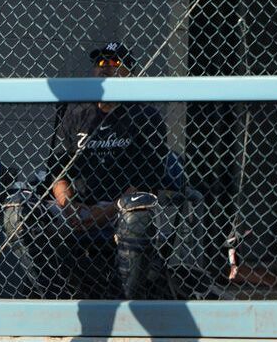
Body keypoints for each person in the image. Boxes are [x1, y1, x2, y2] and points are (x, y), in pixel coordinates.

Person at [41, 42, 178, 299]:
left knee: (136, 212)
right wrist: (68, 206)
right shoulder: (75, 112)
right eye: (100, 63)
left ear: (130, 73)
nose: (106, 69)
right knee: (22, 210)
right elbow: (57, 172)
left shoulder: (145, 116)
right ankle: (50, 293)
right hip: (76, 205)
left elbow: (147, 183)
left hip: (120, 207)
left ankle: (129, 300)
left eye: (115, 63)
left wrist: (104, 212)